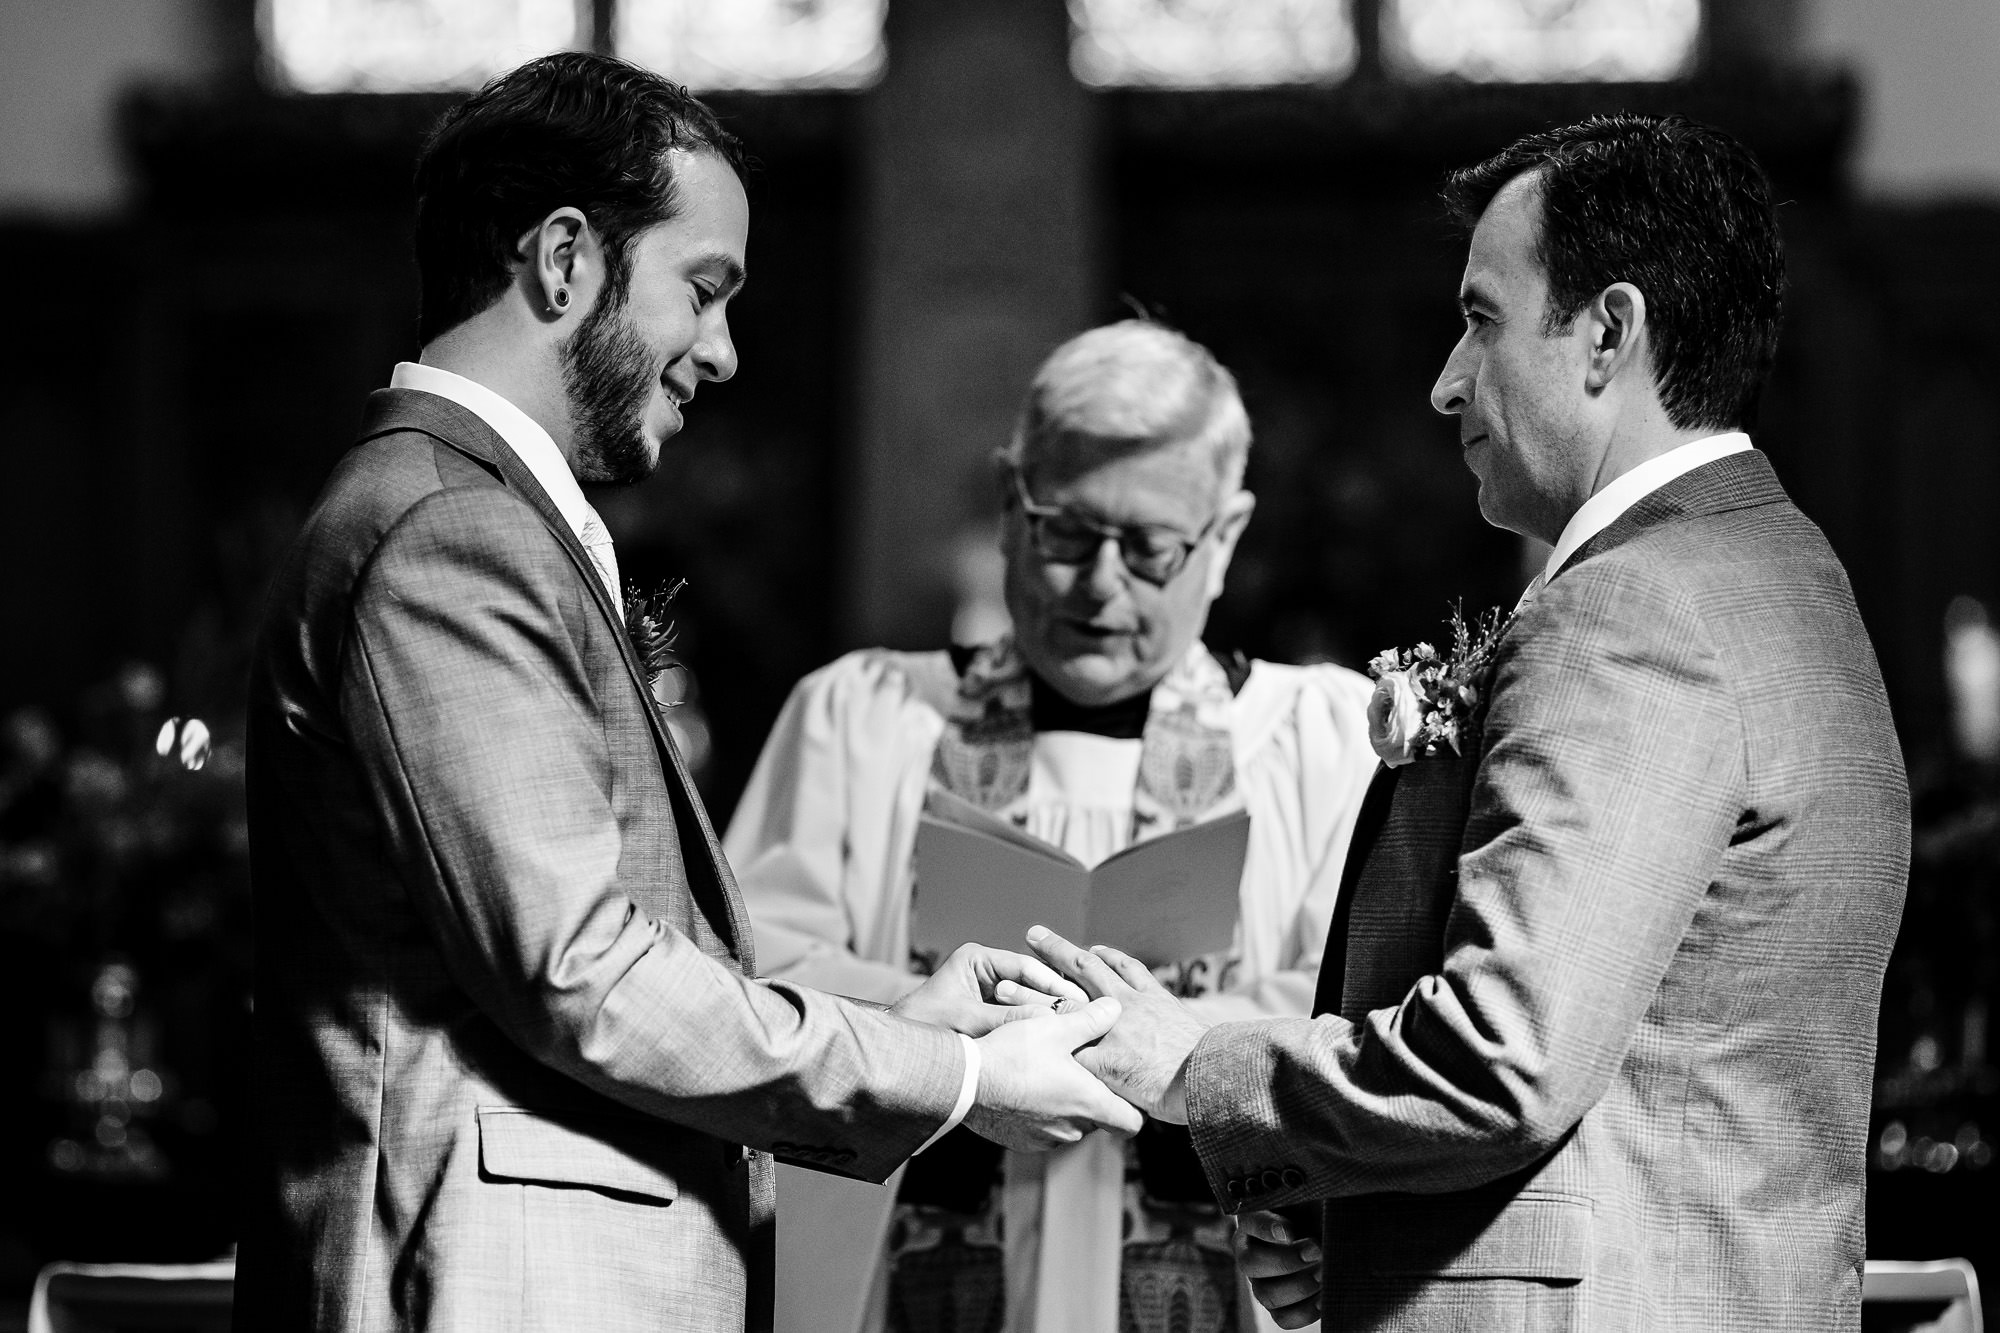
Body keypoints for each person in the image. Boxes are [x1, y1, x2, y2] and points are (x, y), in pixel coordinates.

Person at [235, 53, 1142, 1333]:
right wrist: (955, 1073)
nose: (719, 352)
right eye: (702, 290)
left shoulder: (463, 516)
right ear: (563, 262)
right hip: (488, 1282)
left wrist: (889, 1009)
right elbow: (580, 971)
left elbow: (612, 937)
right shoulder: (449, 532)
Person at [1028, 114, 1911, 1331]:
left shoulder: (1634, 606)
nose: (1445, 378)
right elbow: (1652, 1063)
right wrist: (1366, 1228)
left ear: (1608, 331)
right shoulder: (1781, 569)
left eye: (1480, 319)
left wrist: (1190, 1064)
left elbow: (1506, 1053)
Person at [725, 320, 1377, 1333]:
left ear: (1228, 531)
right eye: (1065, 532)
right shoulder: (860, 719)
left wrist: (1172, 1043)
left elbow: (1359, 1016)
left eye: (1150, 547)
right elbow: (746, 990)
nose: (1099, 582)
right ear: (1006, 502)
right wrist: (932, 1026)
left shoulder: (1315, 741)